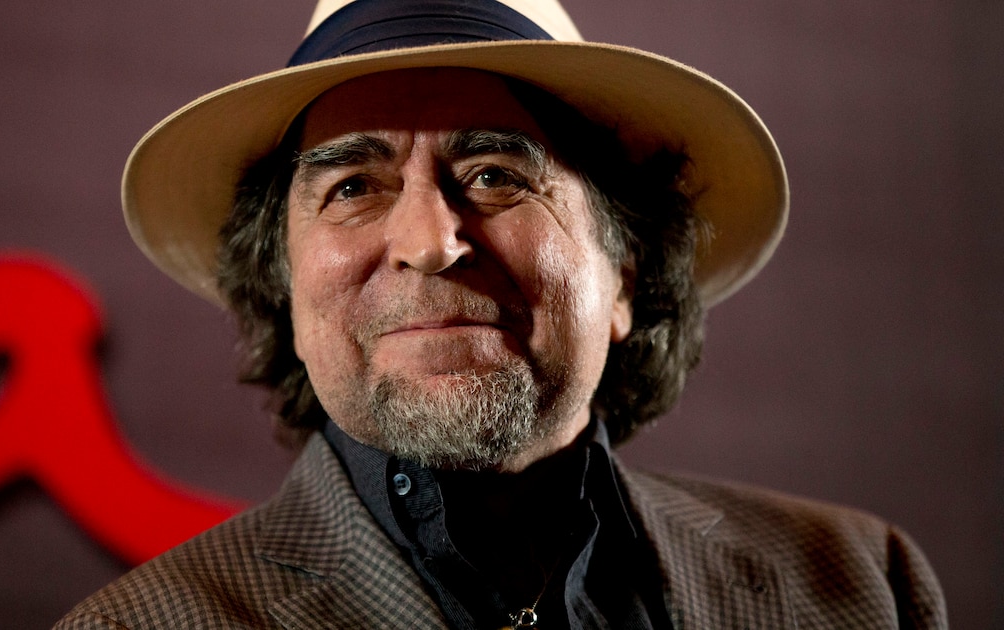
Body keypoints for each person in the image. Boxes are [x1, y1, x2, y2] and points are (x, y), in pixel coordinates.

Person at [56, 0, 947, 628]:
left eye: (494, 176)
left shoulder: (861, 587)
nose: (429, 242)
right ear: (284, 289)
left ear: (625, 275)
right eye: (353, 186)